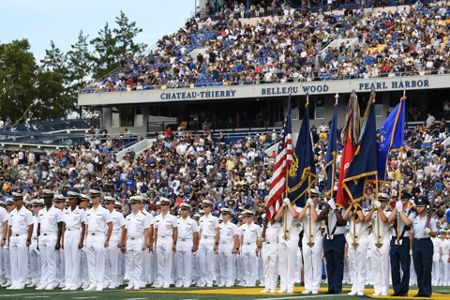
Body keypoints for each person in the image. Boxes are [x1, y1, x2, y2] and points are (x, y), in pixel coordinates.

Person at [317, 195, 346, 294]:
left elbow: (342, 221)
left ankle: (337, 287)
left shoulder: (342, 208)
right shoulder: (327, 208)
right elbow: (319, 217)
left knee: (338, 263)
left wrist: (335, 209)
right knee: (329, 263)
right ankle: (331, 287)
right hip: (328, 238)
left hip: (338, 237)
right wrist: (328, 207)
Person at [84, 189, 113, 291]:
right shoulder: (88, 212)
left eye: (94, 197)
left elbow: (110, 225)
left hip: (100, 236)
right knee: (90, 261)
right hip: (90, 237)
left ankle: (100, 283)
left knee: (100, 261)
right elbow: (86, 226)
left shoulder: (104, 211)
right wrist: (86, 238)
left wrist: (107, 239)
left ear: (99, 198)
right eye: (91, 197)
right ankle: (92, 283)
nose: (93, 199)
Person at [363, 192, 391, 296]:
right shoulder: (374, 212)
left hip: (384, 239)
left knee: (383, 265)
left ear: (387, 202)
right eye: (380, 201)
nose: (381, 203)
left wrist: (379, 209)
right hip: (374, 239)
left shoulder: (388, 212)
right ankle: (377, 288)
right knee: (375, 265)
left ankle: (384, 289)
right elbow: (365, 219)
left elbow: (385, 220)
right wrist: (374, 209)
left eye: (383, 201)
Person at [388, 191, 415, 296]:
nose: (402, 202)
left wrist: (400, 211)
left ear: (408, 201)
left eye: (404, 200)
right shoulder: (397, 210)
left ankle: (404, 289)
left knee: (405, 266)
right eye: (401, 200)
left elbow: (408, 222)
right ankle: (397, 289)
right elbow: (389, 220)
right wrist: (396, 209)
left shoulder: (411, 212)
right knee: (394, 266)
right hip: (394, 239)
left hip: (405, 240)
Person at [35, 190, 63, 290]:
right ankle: (44, 281)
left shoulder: (57, 211)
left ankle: (51, 282)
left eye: (47, 198)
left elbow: (60, 227)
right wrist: (38, 240)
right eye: (44, 198)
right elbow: (39, 226)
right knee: (43, 260)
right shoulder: (41, 212)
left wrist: (58, 241)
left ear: (52, 199)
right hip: (42, 236)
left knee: (51, 260)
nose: (45, 200)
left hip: (52, 236)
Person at [119, 195, 149, 290]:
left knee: (138, 263)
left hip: (138, 240)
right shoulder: (128, 217)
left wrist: (145, 243)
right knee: (130, 263)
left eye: (135, 203)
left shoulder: (143, 217)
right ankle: (131, 283)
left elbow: (146, 231)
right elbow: (126, 231)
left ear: (140, 205)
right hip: (129, 240)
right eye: (132, 204)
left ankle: (137, 282)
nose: (133, 206)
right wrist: (124, 243)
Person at [342, 197, 370, 296]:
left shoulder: (365, 210)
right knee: (352, 264)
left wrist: (357, 208)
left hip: (362, 238)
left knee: (361, 264)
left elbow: (362, 219)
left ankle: (361, 287)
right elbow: (344, 218)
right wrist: (350, 206)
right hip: (352, 239)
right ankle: (354, 286)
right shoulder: (351, 211)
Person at [297, 188, 322, 295]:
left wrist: (312, 207)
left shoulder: (320, 210)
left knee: (316, 262)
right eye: (310, 197)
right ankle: (308, 286)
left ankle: (315, 286)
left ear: (317, 198)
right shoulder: (305, 209)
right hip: (306, 237)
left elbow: (316, 218)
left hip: (317, 237)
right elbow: (299, 218)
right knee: (307, 262)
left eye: (313, 197)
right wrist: (306, 207)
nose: (311, 199)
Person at [274, 197, 302, 293]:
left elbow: (295, 215)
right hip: (282, 235)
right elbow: (276, 218)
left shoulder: (298, 208)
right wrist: (282, 206)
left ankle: (290, 285)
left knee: (291, 263)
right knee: (282, 263)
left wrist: (289, 205)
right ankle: (283, 286)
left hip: (292, 236)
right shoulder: (284, 208)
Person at [411, 197, 437, 297]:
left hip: (426, 243)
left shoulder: (430, 219)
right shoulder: (415, 219)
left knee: (426, 268)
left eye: (421, 206)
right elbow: (412, 234)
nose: (418, 208)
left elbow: (435, 234)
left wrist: (429, 232)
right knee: (418, 268)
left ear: (425, 207)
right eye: (417, 206)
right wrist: (411, 247)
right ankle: (420, 290)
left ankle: (426, 291)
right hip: (416, 243)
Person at [8, 192, 34, 289]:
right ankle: (14, 282)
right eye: (14, 200)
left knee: (22, 260)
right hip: (13, 237)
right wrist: (8, 238)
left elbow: (31, 225)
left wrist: (29, 239)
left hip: (22, 236)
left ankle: (21, 282)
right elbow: (10, 226)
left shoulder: (27, 212)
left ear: (21, 201)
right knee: (13, 260)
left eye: (17, 200)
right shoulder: (12, 213)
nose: (15, 202)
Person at [62, 191, 86, 291]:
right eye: (69, 199)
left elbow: (84, 226)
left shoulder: (81, 211)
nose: (69, 200)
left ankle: (75, 282)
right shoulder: (66, 211)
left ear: (76, 200)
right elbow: (63, 226)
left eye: (71, 199)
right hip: (67, 233)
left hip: (76, 233)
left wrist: (81, 240)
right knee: (68, 260)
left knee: (75, 259)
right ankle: (68, 283)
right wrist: (62, 240)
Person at [153, 197, 178, 288]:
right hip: (159, 239)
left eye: (164, 205)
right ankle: (160, 281)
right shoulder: (156, 218)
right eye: (161, 205)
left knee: (168, 261)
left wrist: (174, 243)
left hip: (168, 239)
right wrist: (155, 243)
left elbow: (175, 230)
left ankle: (167, 280)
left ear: (168, 206)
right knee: (159, 261)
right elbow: (155, 231)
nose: (163, 207)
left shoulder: (172, 218)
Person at [175, 203, 199, 288]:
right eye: (182, 210)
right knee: (179, 263)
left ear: (188, 211)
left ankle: (187, 281)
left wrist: (195, 245)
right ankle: (180, 280)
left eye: (185, 210)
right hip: (179, 241)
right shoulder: (177, 221)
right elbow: (175, 232)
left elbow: (195, 234)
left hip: (188, 242)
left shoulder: (192, 222)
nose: (183, 212)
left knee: (188, 263)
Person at [104, 196, 125, 289]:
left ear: (113, 204)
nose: (107, 205)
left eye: (109, 203)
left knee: (114, 261)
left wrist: (121, 240)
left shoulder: (118, 215)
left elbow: (123, 227)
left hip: (114, 237)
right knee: (106, 261)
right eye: (106, 203)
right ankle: (107, 280)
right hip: (105, 237)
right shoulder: (104, 214)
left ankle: (114, 281)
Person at [197, 199, 219, 287]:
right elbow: (200, 231)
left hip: (210, 240)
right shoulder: (201, 218)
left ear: (210, 208)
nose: (204, 208)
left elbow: (217, 231)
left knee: (210, 261)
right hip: (202, 240)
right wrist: (199, 242)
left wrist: (216, 244)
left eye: (206, 207)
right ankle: (203, 280)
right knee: (202, 261)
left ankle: (210, 280)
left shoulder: (214, 219)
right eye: (204, 207)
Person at [239, 210, 261, 287]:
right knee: (245, 265)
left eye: (249, 216)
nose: (247, 218)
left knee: (253, 264)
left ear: (252, 217)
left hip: (253, 245)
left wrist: (258, 247)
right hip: (245, 246)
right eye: (246, 217)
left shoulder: (256, 227)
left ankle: (253, 281)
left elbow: (259, 238)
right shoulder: (242, 227)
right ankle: (247, 280)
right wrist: (241, 247)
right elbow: (241, 237)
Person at [260, 214, 280, 293]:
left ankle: (273, 286)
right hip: (265, 246)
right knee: (266, 267)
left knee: (273, 267)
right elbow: (262, 237)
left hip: (274, 245)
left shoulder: (278, 225)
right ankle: (267, 286)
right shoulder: (265, 226)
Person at [0, 197, 10, 286]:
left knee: (2, 259)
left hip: (1, 234)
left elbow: (6, 223)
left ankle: (3, 278)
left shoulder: (2, 210)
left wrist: (3, 237)